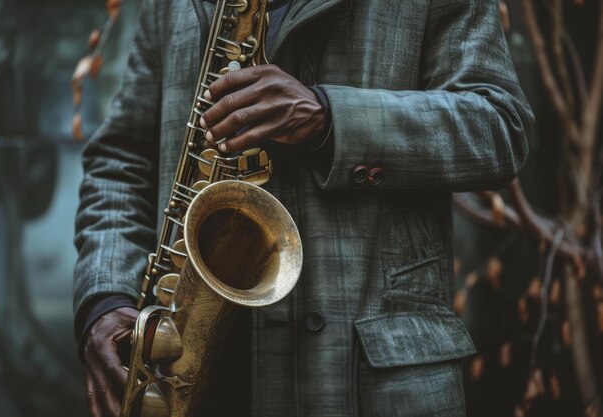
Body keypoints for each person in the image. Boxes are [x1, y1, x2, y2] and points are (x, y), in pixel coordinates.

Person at [73, 0, 534, 416]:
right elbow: (122, 157)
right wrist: (105, 297)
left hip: (369, 388)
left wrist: (329, 118)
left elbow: (499, 126)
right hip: (187, 378)